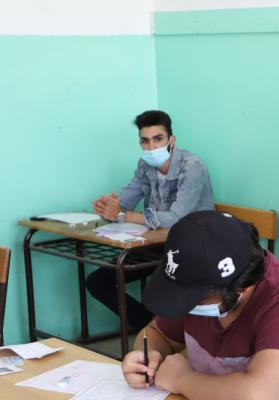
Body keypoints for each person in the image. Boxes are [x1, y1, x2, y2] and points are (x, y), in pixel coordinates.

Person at [121, 211, 279, 400]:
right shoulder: (196, 279)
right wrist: (147, 357)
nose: (186, 306)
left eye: (194, 300)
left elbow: (259, 395)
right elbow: (156, 334)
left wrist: (182, 379)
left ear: (241, 287)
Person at [87, 110, 215, 331]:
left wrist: (122, 215)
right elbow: (127, 199)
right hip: (156, 245)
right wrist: (109, 206)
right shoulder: (145, 165)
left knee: (158, 291)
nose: (151, 146)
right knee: (97, 282)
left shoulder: (192, 166)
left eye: (158, 139)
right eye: (145, 141)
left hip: (191, 247)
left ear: (171, 140)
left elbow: (176, 218)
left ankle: (162, 333)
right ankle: (150, 328)